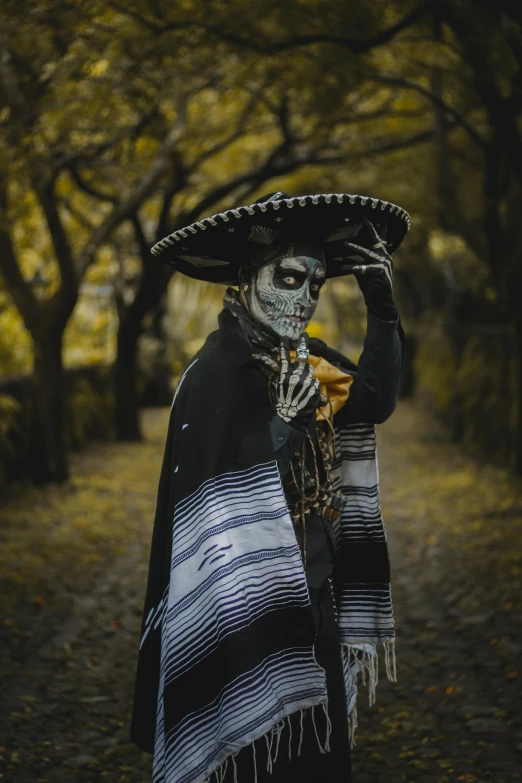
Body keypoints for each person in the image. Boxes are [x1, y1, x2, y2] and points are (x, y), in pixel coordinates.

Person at [130, 191, 409, 783]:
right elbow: (210, 509)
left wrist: (382, 311)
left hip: (315, 605)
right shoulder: (211, 379)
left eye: (314, 284)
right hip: (241, 614)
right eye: (288, 277)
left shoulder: (307, 361)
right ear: (247, 279)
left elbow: (374, 402)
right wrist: (281, 428)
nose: (303, 297)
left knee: (321, 760)